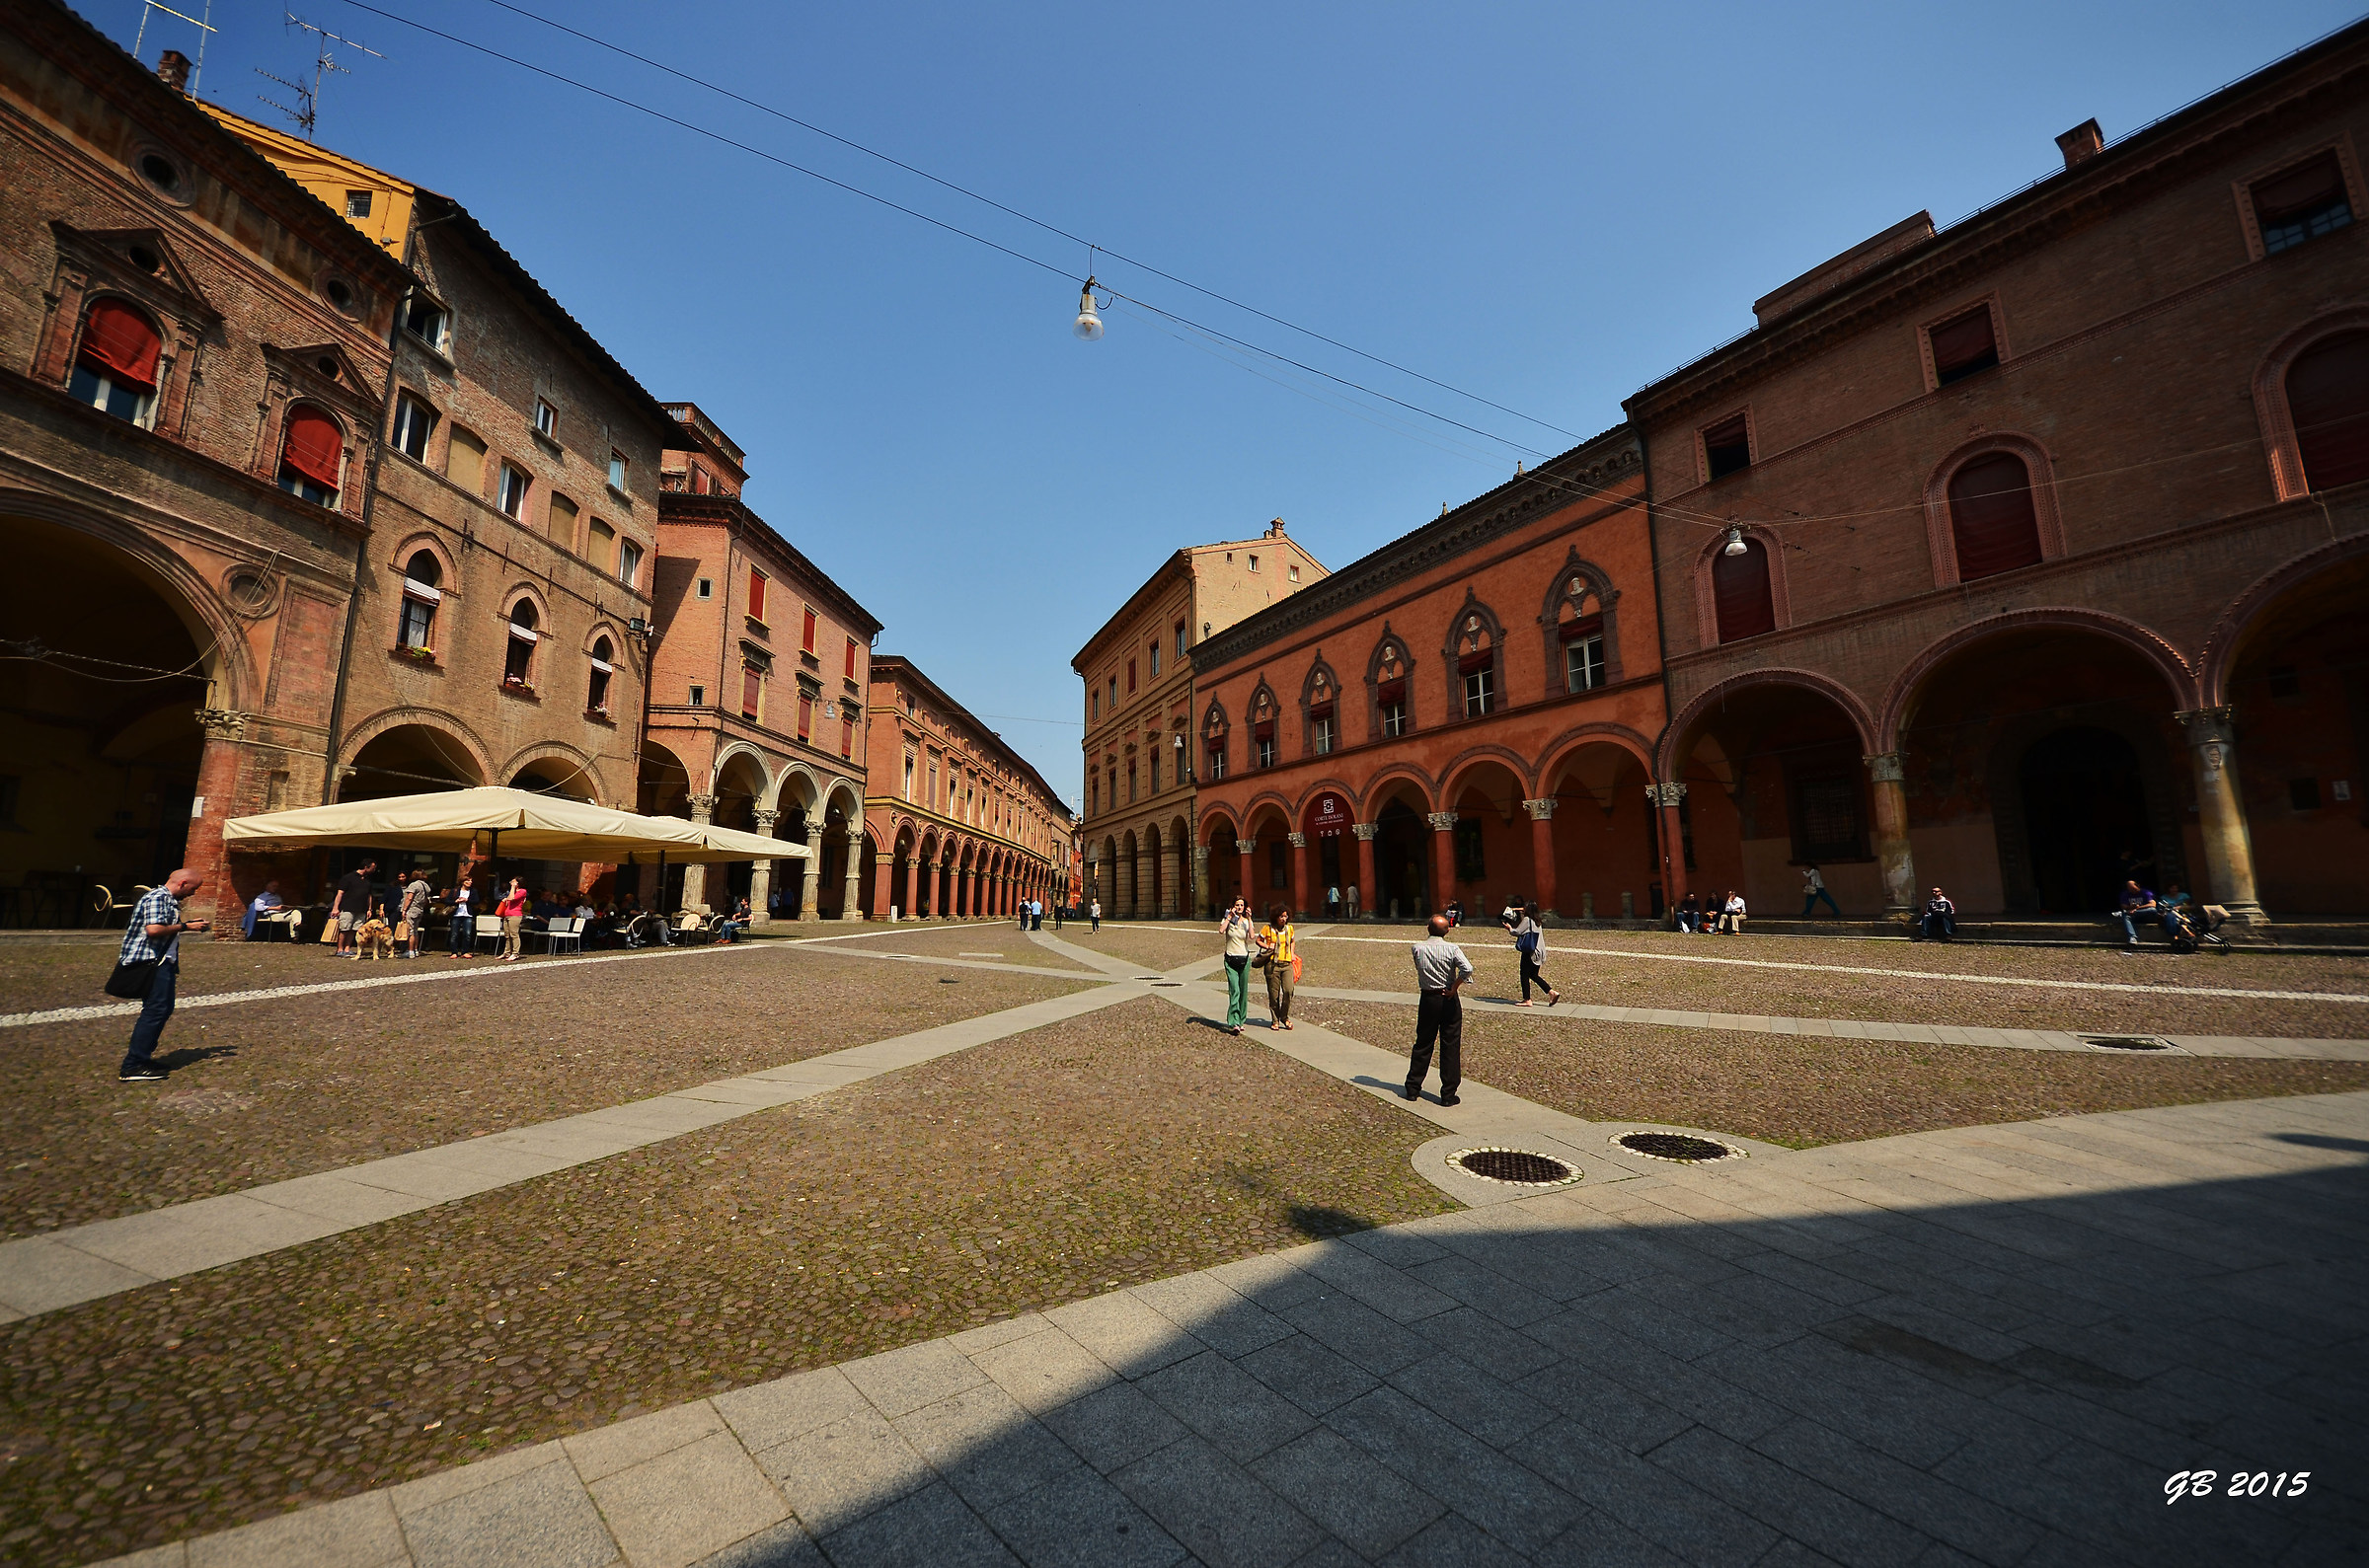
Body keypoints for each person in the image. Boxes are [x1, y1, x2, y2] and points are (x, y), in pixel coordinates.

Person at [116, 868, 207, 1083]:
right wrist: (187, 926)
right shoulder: (158, 898)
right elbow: (154, 929)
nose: (192, 894)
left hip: (161, 962)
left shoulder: (166, 900)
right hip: (151, 962)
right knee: (155, 1011)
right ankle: (133, 1064)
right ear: (183, 883)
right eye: (193, 889)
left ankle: (142, 1059)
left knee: (162, 1009)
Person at [1404, 914, 1472, 1106]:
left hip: (1428, 997)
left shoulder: (1417, 948)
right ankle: (1448, 1094)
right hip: (1448, 997)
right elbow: (1467, 968)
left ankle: (1412, 1088)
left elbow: (1419, 966)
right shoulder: (1452, 949)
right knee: (1450, 1044)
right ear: (1447, 931)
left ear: (1428, 928)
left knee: (1423, 1043)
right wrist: (1455, 986)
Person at [1510, 900, 1560, 1007]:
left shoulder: (1527, 920)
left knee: (1524, 974)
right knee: (1533, 975)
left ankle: (1527, 999)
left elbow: (1517, 932)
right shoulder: (1537, 920)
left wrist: (1509, 928)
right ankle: (1552, 992)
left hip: (1530, 951)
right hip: (1539, 951)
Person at [1219, 896, 1255, 1035]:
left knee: (1243, 991)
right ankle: (1233, 1021)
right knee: (1234, 990)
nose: (1239, 907)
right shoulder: (1228, 920)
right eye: (1237, 905)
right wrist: (1229, 917)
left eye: (1241, 905)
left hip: (1244, 959)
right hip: (1230, 960)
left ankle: (1241, 1020)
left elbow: (1252, 936)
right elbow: (1221, 930)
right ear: (1233, 906)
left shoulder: (1246, 922)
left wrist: (1250, 918)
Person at [1258, 904, 1298, 1029]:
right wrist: (1267, 946)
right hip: (1272, 965)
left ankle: (1284, 1016)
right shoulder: (1267, 929)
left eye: (1285, 916)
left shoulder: (1289, 929)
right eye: (1281, 916)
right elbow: (1258, 940)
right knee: (1274, 994)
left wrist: (1292, 953)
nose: (1284, 919)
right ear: (1275, 917)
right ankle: (1275, 1019)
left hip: (1286, 964)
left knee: (1288, 991)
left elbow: (1292, 941)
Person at [330, 859, 376, 959]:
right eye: (372, 868)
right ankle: (340, 949)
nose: (374, 870)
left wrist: (369, 908)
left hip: (361, 909)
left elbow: (369, 895)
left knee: (355, 929)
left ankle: (347, 948)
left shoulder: (367, 881)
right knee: (344, 928)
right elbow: (340, 893)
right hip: (348, 907)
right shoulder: (348, 878)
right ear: (366, 867)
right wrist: (335, 908)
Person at [496, 876, 530, 961]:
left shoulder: (522, 891)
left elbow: (511, 898)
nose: (511, 883)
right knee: (507, 935)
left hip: (515, 915)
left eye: (513, 881)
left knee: (514, 934)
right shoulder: (513, 891)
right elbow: (509, 899)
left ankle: (515, 953)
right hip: (507, 914)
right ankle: (507, 952)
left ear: (518, 883)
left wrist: (513, 887)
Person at [2116, 879, 2159, 946]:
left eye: (2133, 888)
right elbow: (2123, 906)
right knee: (2126, 915)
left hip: (2145, 914)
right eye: (2130, 889)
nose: (2132, 890)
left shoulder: (2146, 892)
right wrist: (2130, 907)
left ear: (2138, 886)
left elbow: (2153, 904)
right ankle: (2132, 937)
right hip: (2134, 915)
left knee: (2152, 910)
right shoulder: (2125, 894)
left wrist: (2137, 909)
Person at [400, 869, 431, 958]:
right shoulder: (426, 886)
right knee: (415, 930)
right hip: (420, 909)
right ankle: (416, 950)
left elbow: (409, 898)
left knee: (410, 931)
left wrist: (404, 910)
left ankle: (410, 951)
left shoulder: (414, 885)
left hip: (412, 909)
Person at [448, 875, 477, 957]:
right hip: (456, 914)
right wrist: (456, 901)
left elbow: (476, 901)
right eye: (468, 880)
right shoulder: (455, 891)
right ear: (462, 882)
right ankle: (454, 952)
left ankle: (465, 952)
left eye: (471, 880)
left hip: (467, 915)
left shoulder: (473, 891)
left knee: (467, 934)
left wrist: (467, 900)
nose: (470, 882)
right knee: (454, 934)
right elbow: (447, 900)